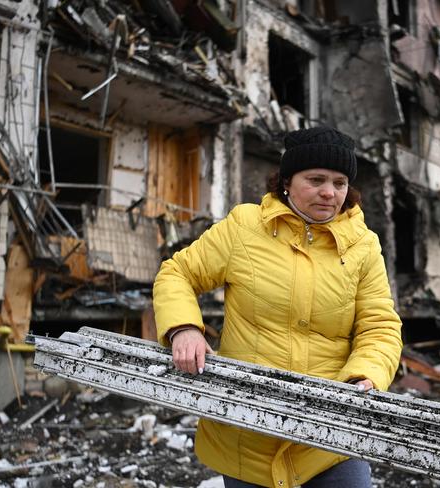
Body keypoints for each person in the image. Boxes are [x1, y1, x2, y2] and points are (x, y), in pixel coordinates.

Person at [153, 126, 403, 488]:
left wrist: (365, 376)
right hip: (248, 429)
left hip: (329, 433)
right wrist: (184, 328)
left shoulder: (364, 246)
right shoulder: (244, 227)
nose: (329, 192)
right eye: (316, 179)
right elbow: (177, 273)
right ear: (286, 181)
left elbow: (379, 325)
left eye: (339, 182)